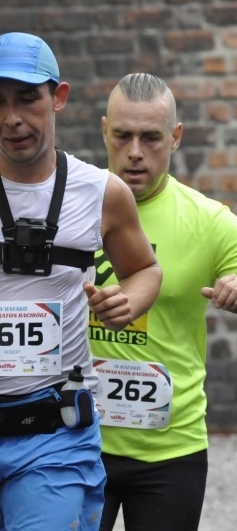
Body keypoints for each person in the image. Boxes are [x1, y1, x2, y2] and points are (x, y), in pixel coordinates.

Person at [90, 73, 237, 531]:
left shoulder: (208, 221)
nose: (134, 152)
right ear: (103, 130)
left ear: (175, 137)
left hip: (171, 450)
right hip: (78, 444)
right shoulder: (69, 206)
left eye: (150, 138)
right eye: (122, 136)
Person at [0, 33, 162, 530]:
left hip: (51, 434)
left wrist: (127, 301)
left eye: (27, 98)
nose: (12, 118)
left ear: (58, 98)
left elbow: (144, 269)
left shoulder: (102, 192)